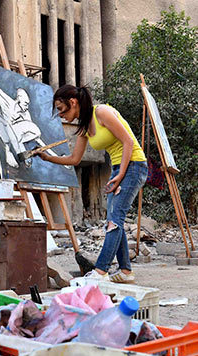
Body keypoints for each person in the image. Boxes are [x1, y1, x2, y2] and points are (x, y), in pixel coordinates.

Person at [37, 85, 147, 283]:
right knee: (114, 219)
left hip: (134, 166)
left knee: (114, 221)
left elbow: (128, 142)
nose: (61, 115)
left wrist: (121, 174)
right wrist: (47, 157)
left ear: (73, 102)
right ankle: (125, 271)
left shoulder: (102, 112)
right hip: (118, 169)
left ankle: (101, 271)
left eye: (61, 109)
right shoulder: (84, 128)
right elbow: (74, 159)